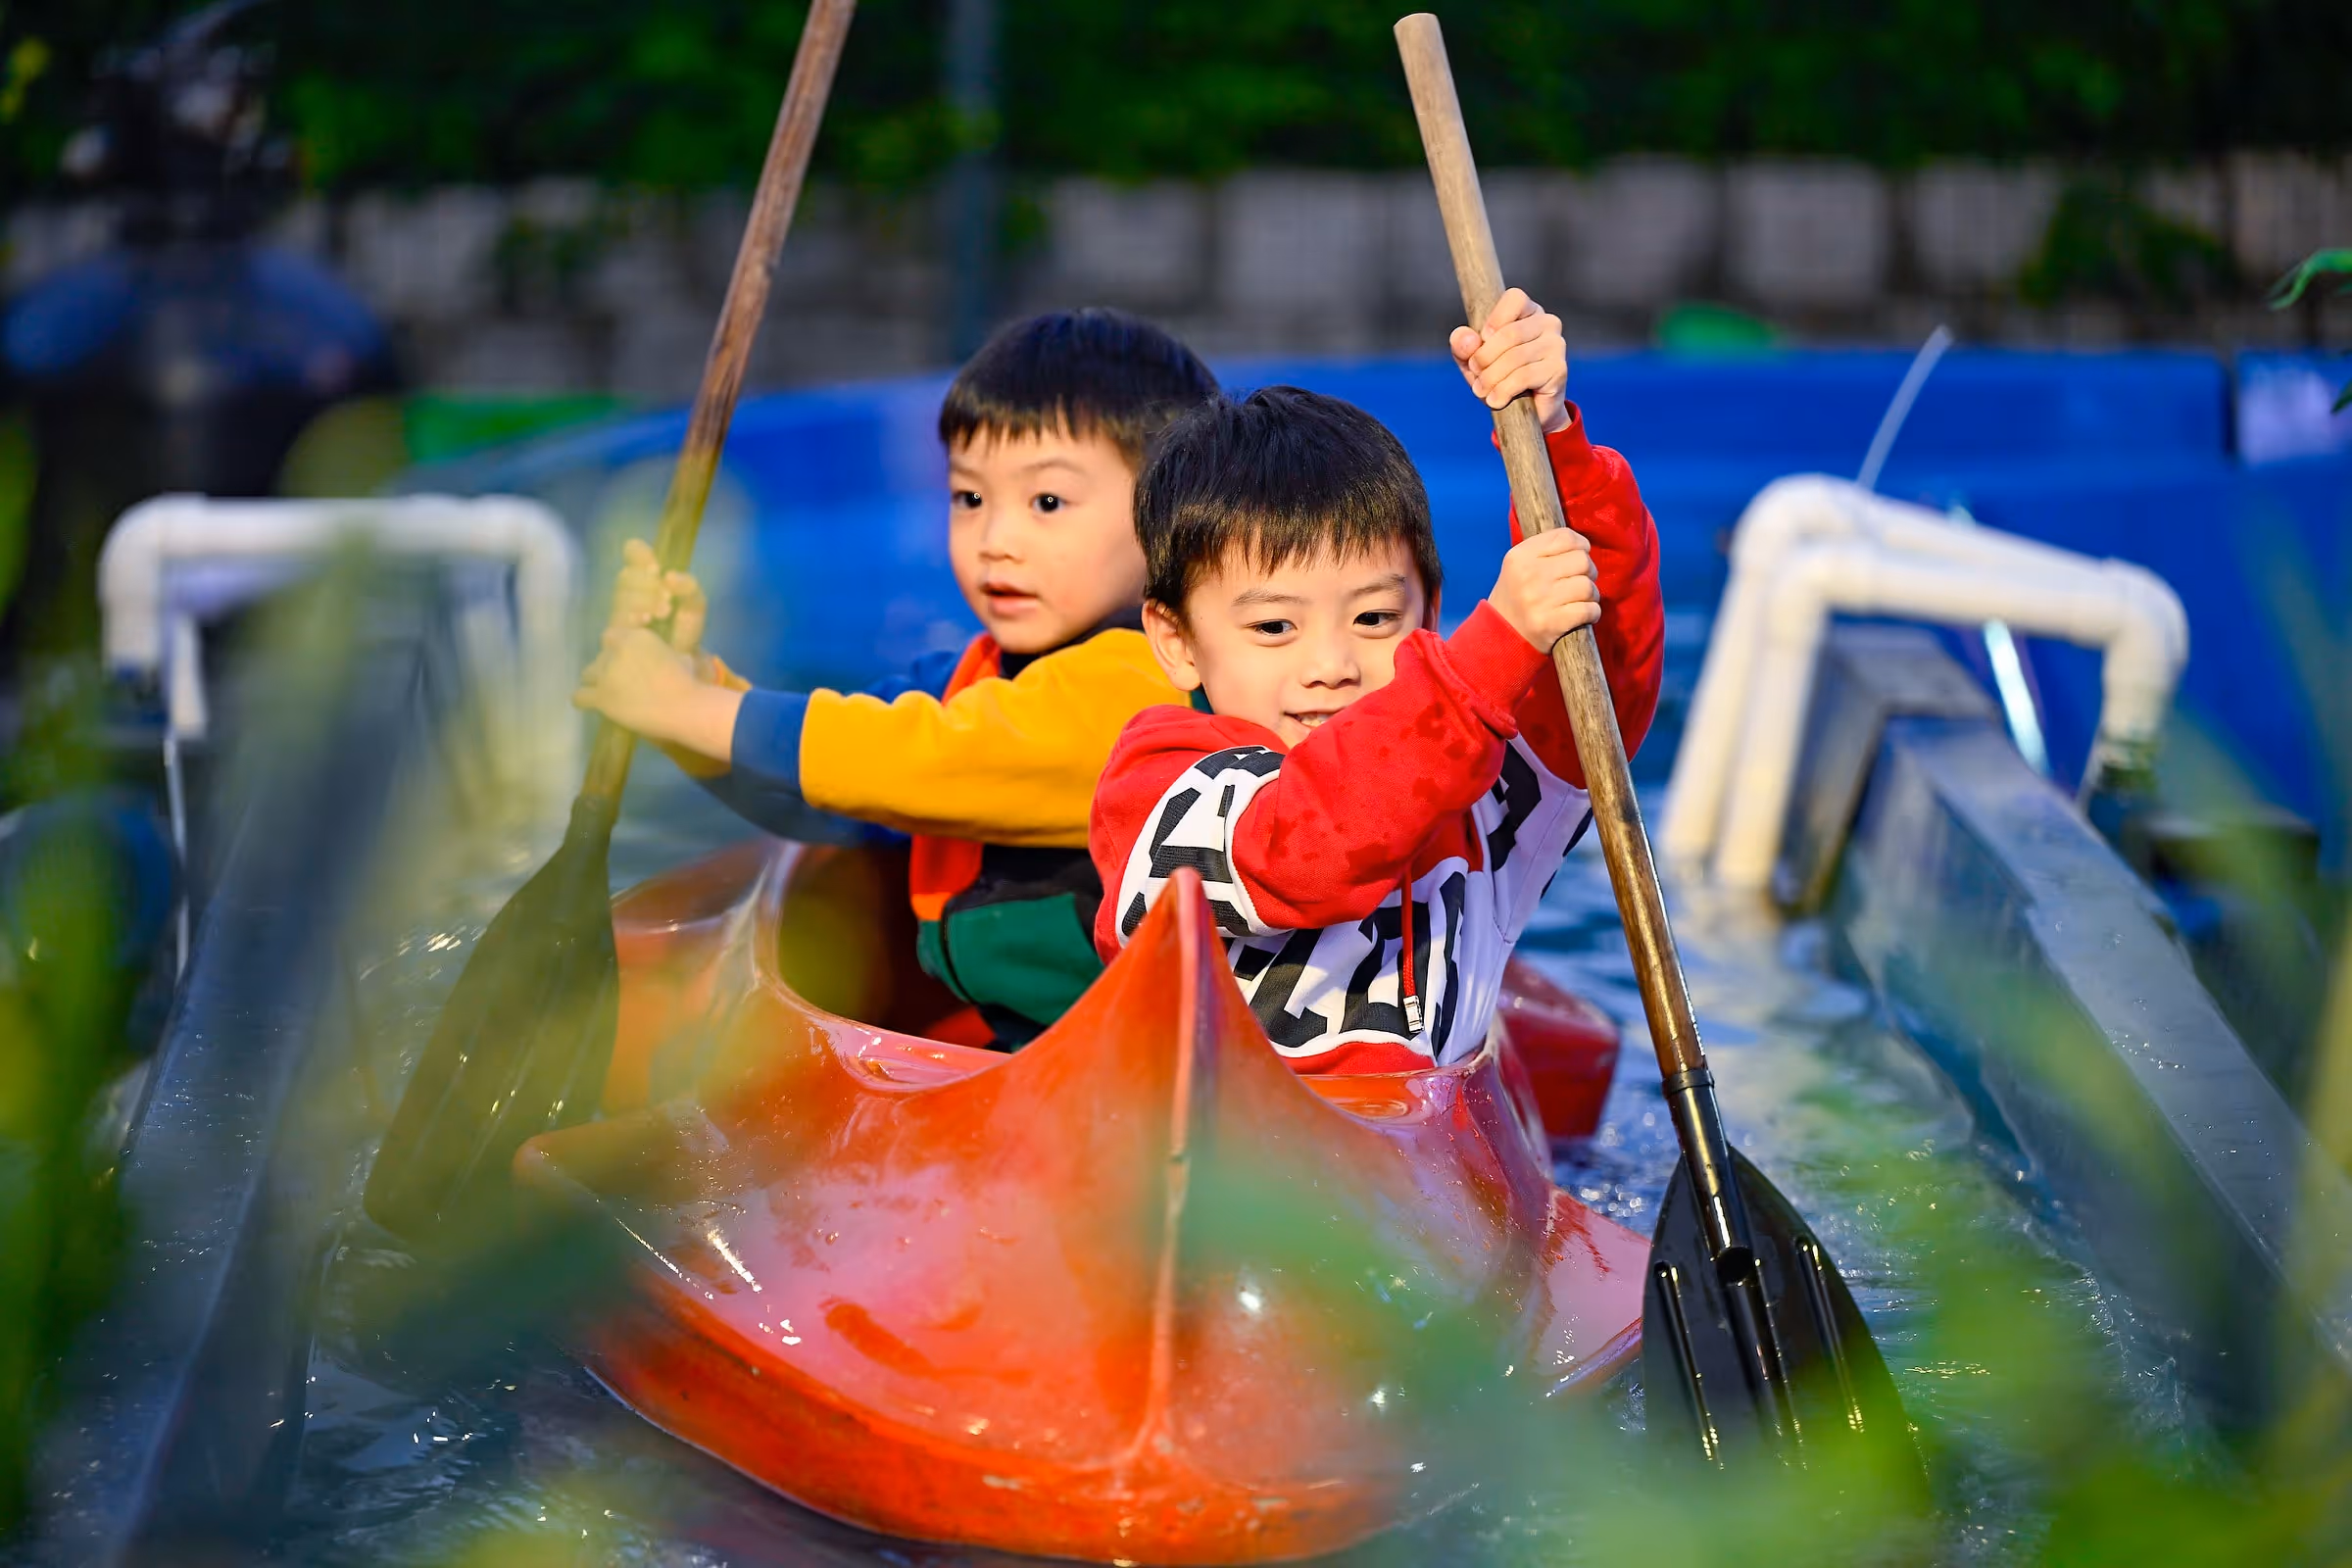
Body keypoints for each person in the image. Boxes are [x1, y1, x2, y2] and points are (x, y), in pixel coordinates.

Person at [575, 309, 1217, 1045]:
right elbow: (834, 796)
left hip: (1151, 1064)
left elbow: (933, 758)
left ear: (1170, 518)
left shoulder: (1148, 687)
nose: (995, 541)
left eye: (1047, 502)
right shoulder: (966, 682)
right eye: (969, 498)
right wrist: (694, 692)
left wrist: (689, 708)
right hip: (1037, 1055)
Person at [1089, 290, 1663, 1074]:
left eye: (1373, 620)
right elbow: (1309, 838)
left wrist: (1553, 439)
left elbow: (1602, 678)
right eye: (1272, 628)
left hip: (1428, 1168)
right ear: (1177, 641)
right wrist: (1490, 649)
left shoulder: (1487, 804)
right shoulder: (1159, 792)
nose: (1330, 666)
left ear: (1431, 612)